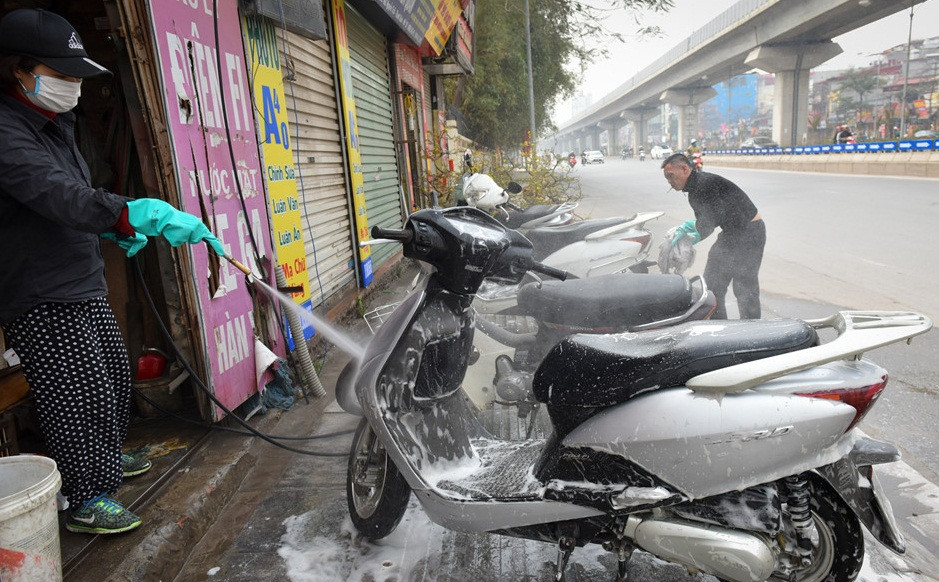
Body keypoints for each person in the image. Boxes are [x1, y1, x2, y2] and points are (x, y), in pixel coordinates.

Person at [0, 8, 225, 535]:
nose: (74, 86)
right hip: (40, 289)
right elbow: (54, 193)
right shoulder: (5, 130)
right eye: (63, 75)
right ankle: (83, 497)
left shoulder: (54, 125)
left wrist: (107, 228)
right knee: (74, 395)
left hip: (77, 275)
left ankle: (100, 461)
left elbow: (67, 199)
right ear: (19, 69)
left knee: (111, 381)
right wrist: (127, 211)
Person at [660, 153, 765, 319]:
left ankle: (752, 332)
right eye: (667, 178)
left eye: (671, 176)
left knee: (744, 285)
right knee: (712, 285)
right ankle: (720, 330)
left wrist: (690, 230)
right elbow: (707, 224)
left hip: (749, 231)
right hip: (731, 234)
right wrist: (691, 235)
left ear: (684, 168)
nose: (670, 182)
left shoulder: (704, 183)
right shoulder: (694, 191)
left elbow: (713, 218)